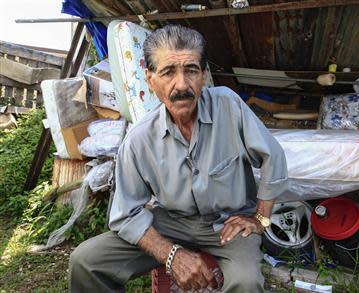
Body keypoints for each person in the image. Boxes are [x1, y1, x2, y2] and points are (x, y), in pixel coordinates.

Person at [69, 24, 288, 293]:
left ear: (205, 75)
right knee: (86, 260)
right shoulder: (139, 139)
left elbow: (273, 157)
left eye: (191, 70)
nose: (181, 85)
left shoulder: (229, 106)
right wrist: (171, 254)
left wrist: (260, 218)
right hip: (170, 223)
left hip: (229, 225)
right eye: (168, 72)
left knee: (246, 281)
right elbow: (125, 215)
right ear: (150, 79)